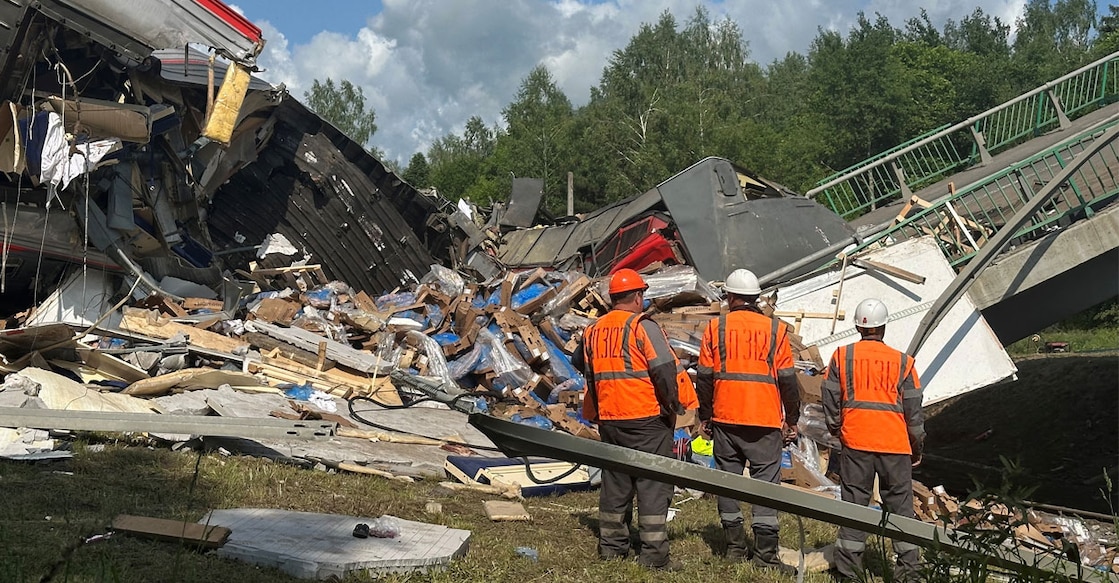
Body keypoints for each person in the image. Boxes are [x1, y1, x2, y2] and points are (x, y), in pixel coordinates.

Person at [571, 268, 698, 570]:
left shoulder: (594, 330)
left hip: (610, 418)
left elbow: (579, 361)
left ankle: (613, 548)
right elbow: (665, 371)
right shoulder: (643, 326)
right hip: (646, 419)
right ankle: (654, 556)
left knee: (616, 482)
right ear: (639, 296)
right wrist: (672, 406)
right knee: (653, 485)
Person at [696, 268, 800, 574]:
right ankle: (765, 555)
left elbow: (703, 378)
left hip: (726, 418)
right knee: (766, 487)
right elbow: (788, 381)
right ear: (756, 298)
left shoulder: (716, 328)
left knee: (727, 484)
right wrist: (791, 419)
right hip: (765, 421)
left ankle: (735, 548)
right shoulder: (775, 330)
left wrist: (706, 415)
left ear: (729, 297)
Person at [823, 298, 925, 582]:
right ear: (883, 327)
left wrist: (836, 428)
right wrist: (916, 445)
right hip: (895, 445)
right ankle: (908, 574)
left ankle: (848, 574)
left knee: (854, 505)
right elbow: (914, 411)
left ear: (858, 325)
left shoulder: (842, 356)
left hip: (856, 441)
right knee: (901, 509)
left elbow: (830, 397)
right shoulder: (904, 362)